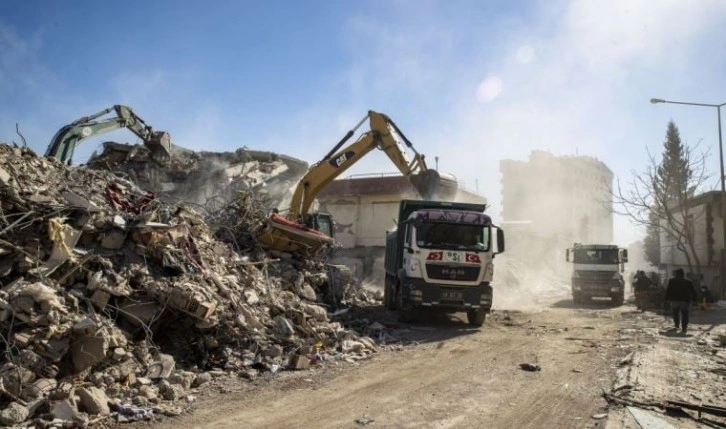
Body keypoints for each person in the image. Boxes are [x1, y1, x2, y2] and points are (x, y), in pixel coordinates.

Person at [664, 268, 698, 333]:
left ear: (676, 274)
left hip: (675, 300)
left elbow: (668, 290)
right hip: (685, 301)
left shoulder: (672, 281)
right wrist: (695, 299)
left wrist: (666, 299)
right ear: (683, 274)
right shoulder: (688, 282)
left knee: (675, 313)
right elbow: (693, 291)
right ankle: (684, 327)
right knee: (685, 314)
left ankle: (677, 325)